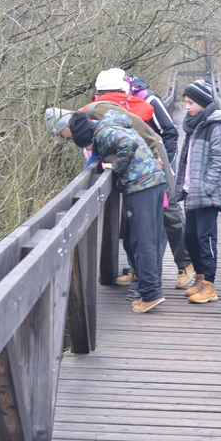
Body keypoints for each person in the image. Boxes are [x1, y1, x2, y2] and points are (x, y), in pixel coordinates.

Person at [91, 69, 195, 292]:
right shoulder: (103, 105)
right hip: (136, 165)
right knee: (136, 217)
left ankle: (185, 263)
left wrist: (166, 163)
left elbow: (169, 130)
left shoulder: (148, 99)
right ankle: (136, 269)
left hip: (157, 158)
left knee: (170, 211)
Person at [66, 109, 167, 313]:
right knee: (150, 237)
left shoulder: (104, 132)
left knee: (143, 239)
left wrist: (115, 166)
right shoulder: (115, 124)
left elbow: (127, 145)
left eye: (87, 145)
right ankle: (151, 290)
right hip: (154, 180)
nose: (89, 148)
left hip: (141, 185)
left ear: (88, 137)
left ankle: (151, 294)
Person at [174, 80, 221, 304]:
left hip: (207, 195)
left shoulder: (216, 124)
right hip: (192, 192)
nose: (187, 107)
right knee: (190, 238)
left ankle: (209, 284)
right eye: (186, 103)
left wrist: (207, 187)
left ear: (202, 101)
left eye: (191, 102)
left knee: (206, 238)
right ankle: (199, 279)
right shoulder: (195, 124)